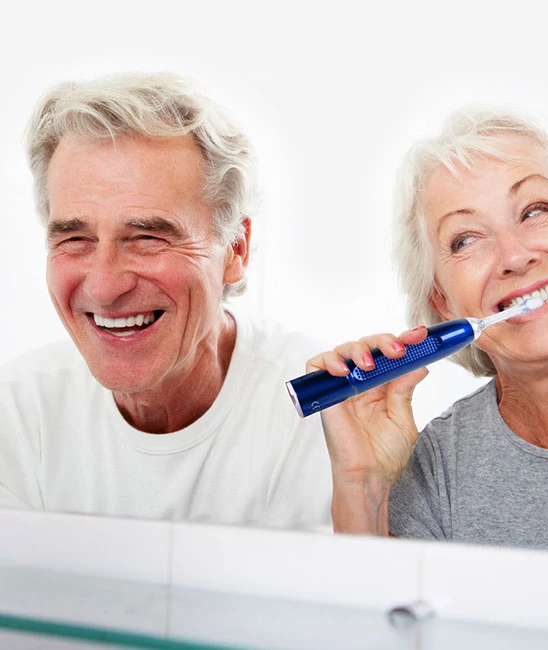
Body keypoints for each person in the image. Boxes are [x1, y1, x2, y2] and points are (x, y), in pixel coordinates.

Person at [310, 106, 548, 556]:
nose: (514, 256)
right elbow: (368, 601)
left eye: (534, 210)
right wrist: (362, 489)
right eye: (466, 239)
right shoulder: (436, 474)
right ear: (442, 303)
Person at [0, 72, 332, 530]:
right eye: (75, 239)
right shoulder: (17, 416)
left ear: (235, 249)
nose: (104, 286)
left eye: (148, 238)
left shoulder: (321, 408)